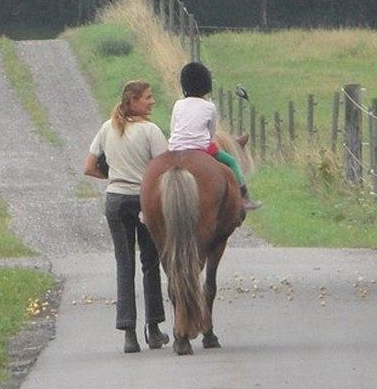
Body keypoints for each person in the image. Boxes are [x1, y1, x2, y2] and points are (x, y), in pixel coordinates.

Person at [84, 80, 170, 354]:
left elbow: (89, 167)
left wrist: (114, 177)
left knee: (125, 264)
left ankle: (129, 334)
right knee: (150, 262)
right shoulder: (150, 131)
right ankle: (154, 329)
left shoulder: (107, 128)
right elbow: (164, 169)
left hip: (115, 200)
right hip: (144, 201)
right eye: (147, 97)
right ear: (133, 101)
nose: (152, 101)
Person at [169, 61, 261, 211]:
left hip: (176, 148)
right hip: (201, 148)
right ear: (206, 85)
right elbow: (211, 132)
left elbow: (173, 128)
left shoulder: (178, 104)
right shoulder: (209, 106)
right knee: (231, 162)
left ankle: (146, 209)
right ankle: (244, 198)